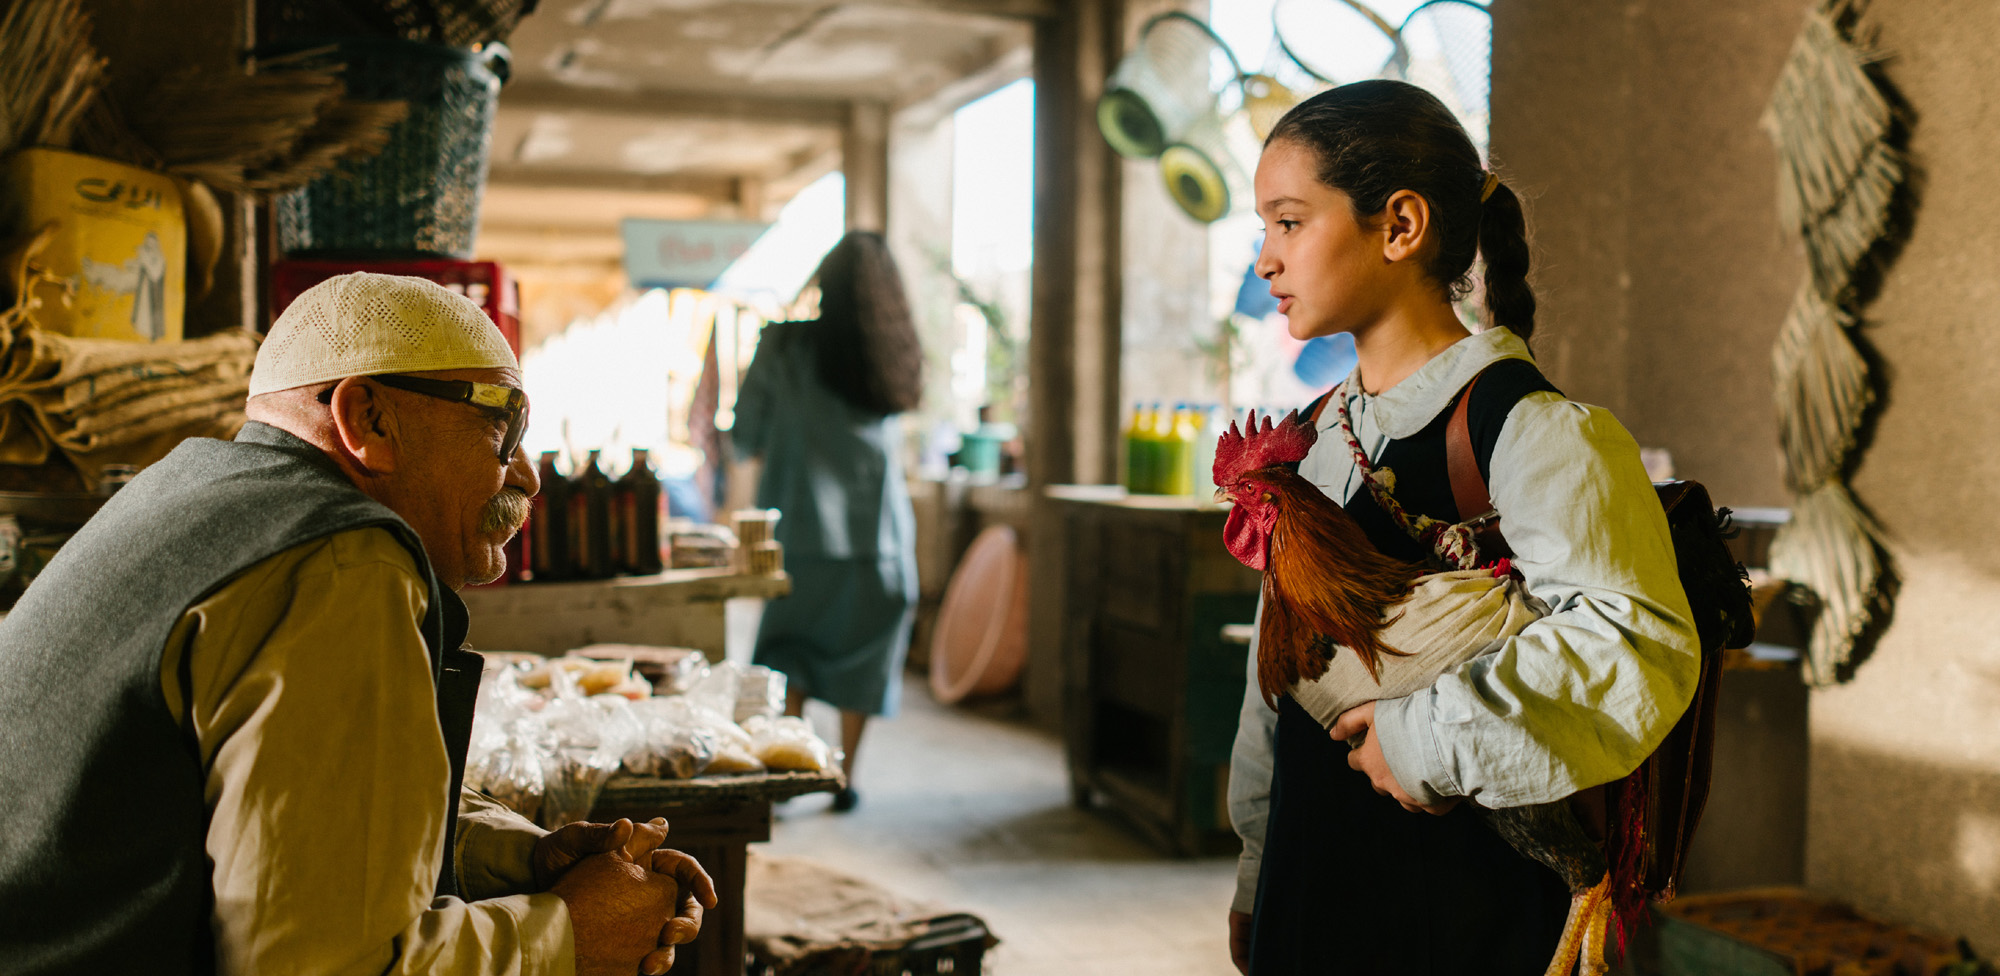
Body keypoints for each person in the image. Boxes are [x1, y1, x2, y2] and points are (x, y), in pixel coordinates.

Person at [0, 272, 716, 976]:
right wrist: (570, 934)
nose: (526, 474)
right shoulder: (341, 563)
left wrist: (520, 858)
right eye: (502, 425)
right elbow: (325, 964)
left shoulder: (187, 491)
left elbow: (300, 822)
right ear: (367, 419)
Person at [1223, 81, 1700, 973]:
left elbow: (1633, 641)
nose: (1265, 261)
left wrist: (1420, 740)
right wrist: (1258, 867)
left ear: (1400, 226)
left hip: (1460, 913)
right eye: (1265, 229)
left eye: (1288, 223)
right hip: (1313, 883)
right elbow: (1273, 685)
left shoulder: (1530, 430)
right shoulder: (1314, 437)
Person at [731, 232, 923, 813]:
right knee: (866, 660)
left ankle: (793, 772)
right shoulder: (893, 353)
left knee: (789, 655)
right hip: (881, 541)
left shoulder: (784, 346)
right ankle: (843, 774)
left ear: (825, 284)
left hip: (802, 536)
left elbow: (745, 435)